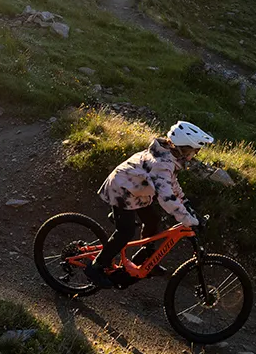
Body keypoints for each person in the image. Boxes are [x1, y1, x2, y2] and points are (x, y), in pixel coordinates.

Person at [85, 121, 214, 288]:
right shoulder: (160, 163)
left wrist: (188, 206)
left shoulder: (170, 156)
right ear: (183, 148)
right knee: (125, 232)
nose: (196, 154)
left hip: (137, 191)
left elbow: (173, 185)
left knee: (153, 219)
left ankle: (146, 256)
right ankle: (96, 266)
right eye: (194, 150)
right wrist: (188, 220)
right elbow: (167, 198)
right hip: (121, 190)